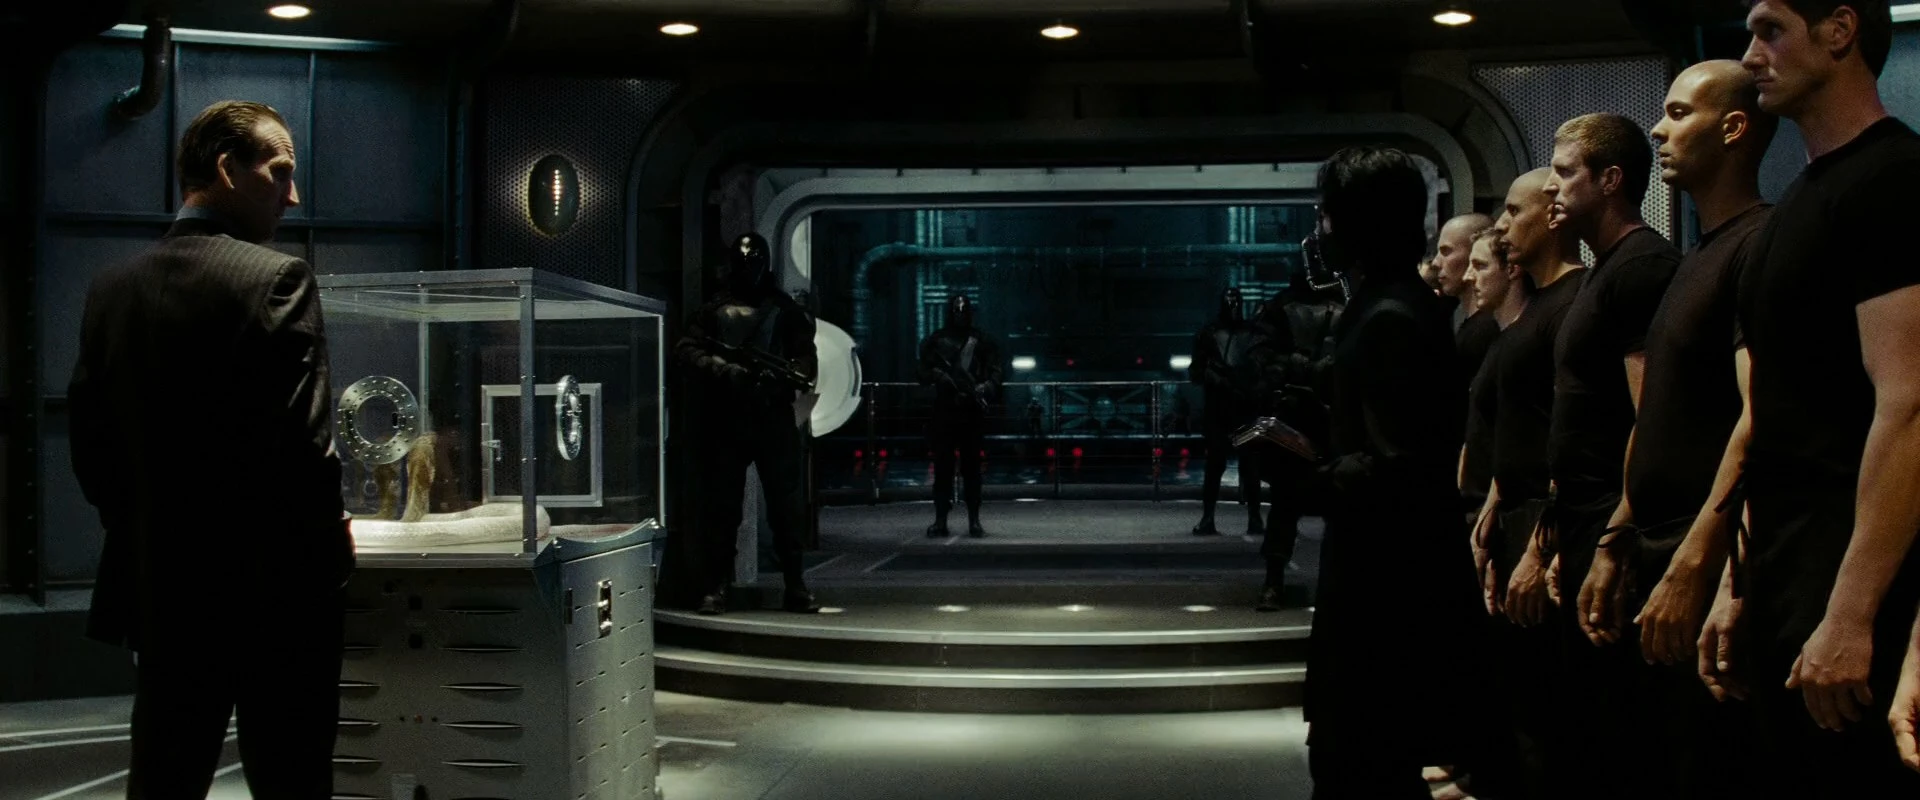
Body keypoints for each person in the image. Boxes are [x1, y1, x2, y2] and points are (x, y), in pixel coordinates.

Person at [67, 100, 351, 798]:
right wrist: (332, 557)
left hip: (161, 590)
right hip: (273, 594)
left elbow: (91, 448)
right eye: (280, 172)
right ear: (228, 169)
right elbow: (305, 451)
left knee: (164, 776)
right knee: (291, 778)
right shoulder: (277, 279)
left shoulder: (111, 287)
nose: (292, 195)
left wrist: (147, 532)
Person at [1703, 2, 1920, 795]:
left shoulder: (1894, 179)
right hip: (1788, 573)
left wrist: (1852, 612)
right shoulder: (1801, 199)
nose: (1750, 55)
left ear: (1839, 31)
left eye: (1771, 30)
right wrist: (1740, 586)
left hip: (1852, 579)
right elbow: (1776, 422)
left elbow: (1910, 405)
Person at [1548, 60, 1776, 799]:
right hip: (1652, 540)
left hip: (1696, 547)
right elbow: (1658, 425)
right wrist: (1620, 540)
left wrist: (1701, 564)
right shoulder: (1697, 255)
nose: (1657, 128)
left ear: (1733, 128)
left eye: (1678, 113)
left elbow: (1758, 419)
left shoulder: (1756, 244)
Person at [1300, 146, 1482, 798]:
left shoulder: (1388, 316)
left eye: (1327, 215)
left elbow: (1396, 467)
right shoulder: (1398, 305)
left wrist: (1306, 473)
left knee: (1359, 767)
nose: (1319, 231)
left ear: (1359, 223)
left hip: (1383, 594)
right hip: (1394, 585)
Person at [1539, 111, 1681, 800]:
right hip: (1583, 518)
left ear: (1611, 179)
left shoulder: (1643, 266)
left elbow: (1650, 416)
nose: (1551, 187)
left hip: (1611, 521)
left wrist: (1615, 537)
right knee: (1584, 727)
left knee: (1619, 733)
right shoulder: (1604, 272)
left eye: (1565, 172)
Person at [1473, 169, 1588, 799]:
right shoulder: (1538, 306)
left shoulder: (1573, 300)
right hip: (1518, 517)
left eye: (1515, 212)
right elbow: (1516, 429)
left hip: (1545, 521)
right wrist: (1494, 509)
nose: (1503, 225)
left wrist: (1542, 546)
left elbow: (1570, 436)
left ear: (1551, 215)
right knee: (1523, 699)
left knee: (1548, 710)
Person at [676, 233, 822, 615]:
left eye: (755, 261)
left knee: (786, 508)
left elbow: (806, 360)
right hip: (727, 418)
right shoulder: (714, 310)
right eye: (745, 261)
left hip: (772, 415)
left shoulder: (785, 311)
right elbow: (687, 350)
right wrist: (724, 370)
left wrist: (786, 374)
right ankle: (717, 585)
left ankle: (795, 584)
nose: (750, 269)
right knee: (722, 508)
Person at [1252, 267, 1337, 611]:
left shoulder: (1346, 304)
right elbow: (1260, 357)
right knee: (1285, 506)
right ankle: (1274, 581)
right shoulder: (1279, 308)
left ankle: (1327, 583)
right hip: (1294, 415)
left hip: (1330, 417)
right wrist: (1295, 368)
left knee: (1336, 506)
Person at [918, 294, 1005, 538]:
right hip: (945, 410)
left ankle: (974, 520)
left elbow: (997, 372)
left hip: (971, 410)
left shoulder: (982, 341)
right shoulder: (936, 340)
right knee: (943, 469)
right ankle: (941, 520)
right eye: (956, 310)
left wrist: (986, 386)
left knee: (972, 469)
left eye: (963, 310)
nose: (960, 314)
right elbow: (922, 371)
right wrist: (937, 375)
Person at [1188, 286, 1268, 537]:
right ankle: (1209, 518)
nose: (1233, 305)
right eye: (1229, 301)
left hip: (1243, 406)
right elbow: (1196, 372)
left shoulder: (1251, 333)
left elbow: (1262, 368)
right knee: (1216, 465)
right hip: (1221, 408)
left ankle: (1253, 518)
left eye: (1235, 301)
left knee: (1249, 465)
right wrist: (1214, 377)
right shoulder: (1210, 334)